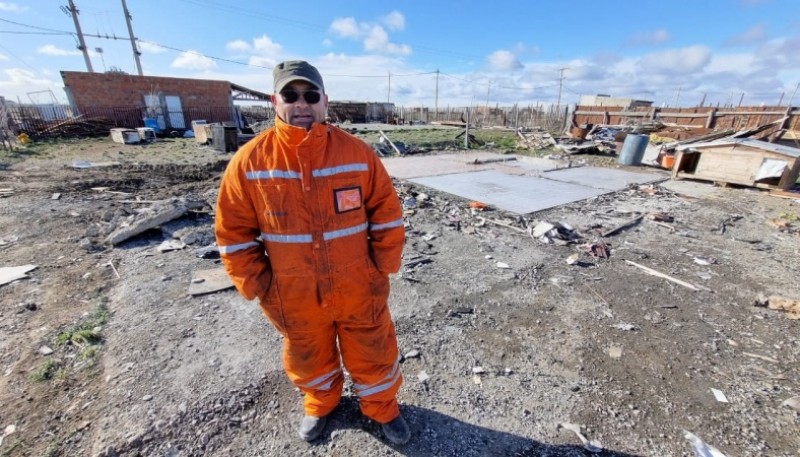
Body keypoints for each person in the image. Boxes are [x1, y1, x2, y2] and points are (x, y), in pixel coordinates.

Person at [214, 60, 410, 445]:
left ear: (324, 101)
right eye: (290, 95)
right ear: (275, 101)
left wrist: (382, 266)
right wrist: (259, 284)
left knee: (374, 350)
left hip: (358, 285)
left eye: (310, 95)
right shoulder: (250, 163)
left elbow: (387, 213)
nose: (300, 103)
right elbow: (234, 233)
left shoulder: (357, 154)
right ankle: (320, 402)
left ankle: (382, 408)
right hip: (294, 293)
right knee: (309, 355)